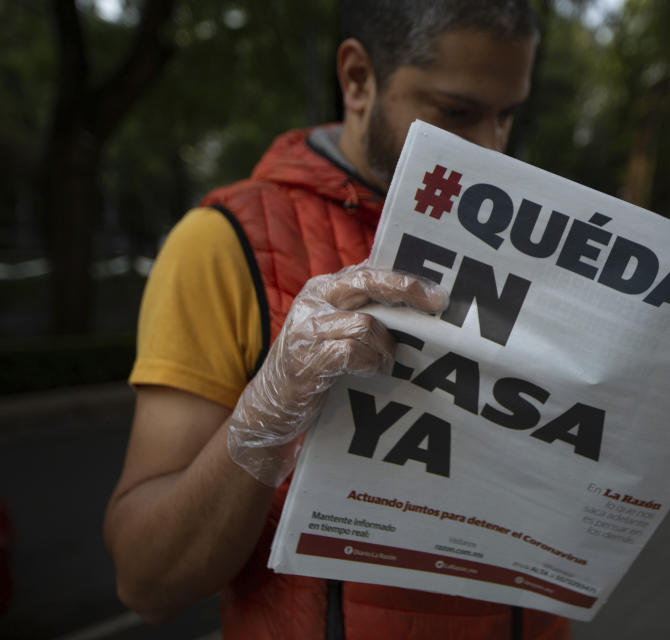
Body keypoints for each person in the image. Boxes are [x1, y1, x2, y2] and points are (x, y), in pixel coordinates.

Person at [102, 2, 570, 638]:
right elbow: (145, 580)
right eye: (456, 113)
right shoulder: (221, 243)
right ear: (357, 78)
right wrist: (270, 409)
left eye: (507, 114)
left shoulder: (543, 247)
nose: (490, 148)